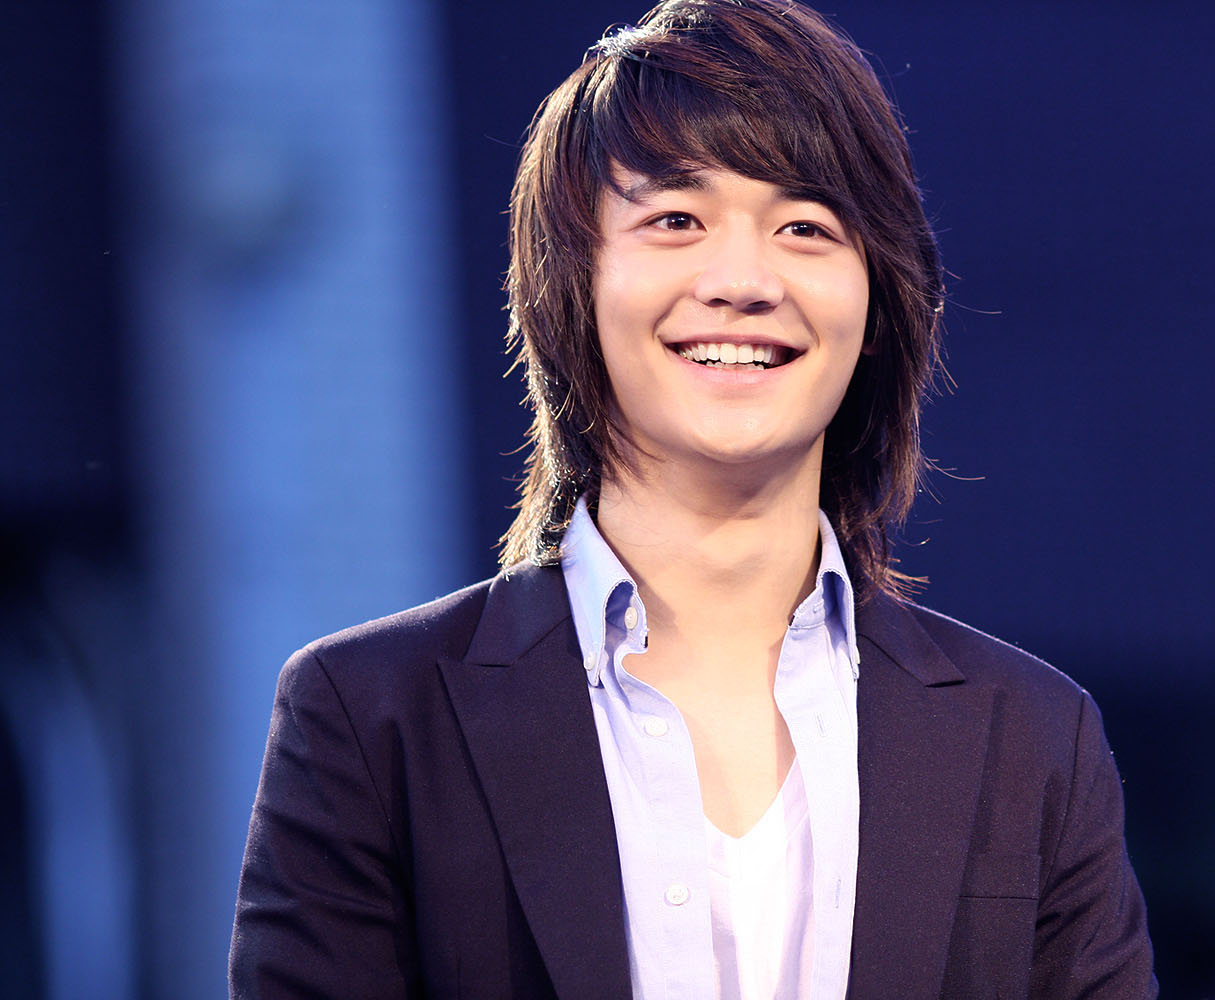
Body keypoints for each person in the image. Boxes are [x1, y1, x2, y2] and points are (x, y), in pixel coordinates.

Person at [228, 1, 1156, 997]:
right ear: (571, 284)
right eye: (676, 219)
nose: (743, 281)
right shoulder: (370, 716)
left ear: (879, 301)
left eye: (805, 227)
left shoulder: (1033, 736)